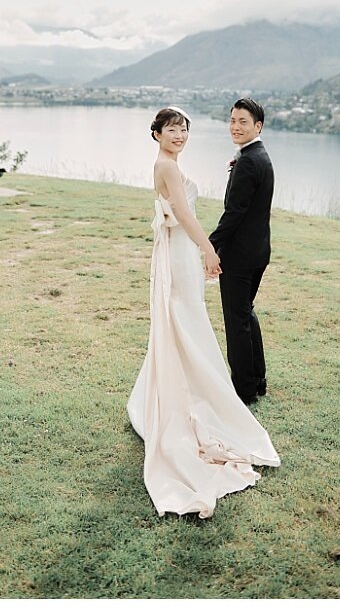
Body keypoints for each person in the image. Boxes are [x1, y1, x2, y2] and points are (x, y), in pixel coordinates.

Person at [126, 107, 278, 518]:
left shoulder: (169, 164)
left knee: (184, 322)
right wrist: (209, 249)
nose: (179, 135)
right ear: (156, 134)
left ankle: (192, 387)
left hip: (177, 251)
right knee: (187, 322)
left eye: (184, 129)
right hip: (180, 254)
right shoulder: (167, 167)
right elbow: (184, 214)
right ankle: (197, 394)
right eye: (171, 129)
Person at [209, 97, 275, 405]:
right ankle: (257, 380)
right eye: (233, 120)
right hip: (258, 251)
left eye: (243, 122)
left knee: (236, 322)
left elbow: (234, 213)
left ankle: (244, 390)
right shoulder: (259, 155)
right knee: (246, 314)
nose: (235, 126)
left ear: (257, 126)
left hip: (239, 256)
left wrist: (210, 245)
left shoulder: (249, 161)